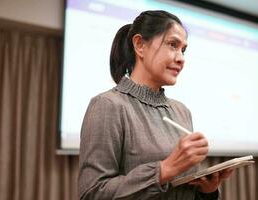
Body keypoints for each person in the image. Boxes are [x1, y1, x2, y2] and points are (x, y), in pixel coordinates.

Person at [78, 10, 233, 200]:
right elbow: (92, 194)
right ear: (140, 45)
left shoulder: (182, 111)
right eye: (172, 45)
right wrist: (164, 169)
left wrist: (206, 190)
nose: (181, 58)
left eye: (183, 50)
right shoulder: (108, 105)